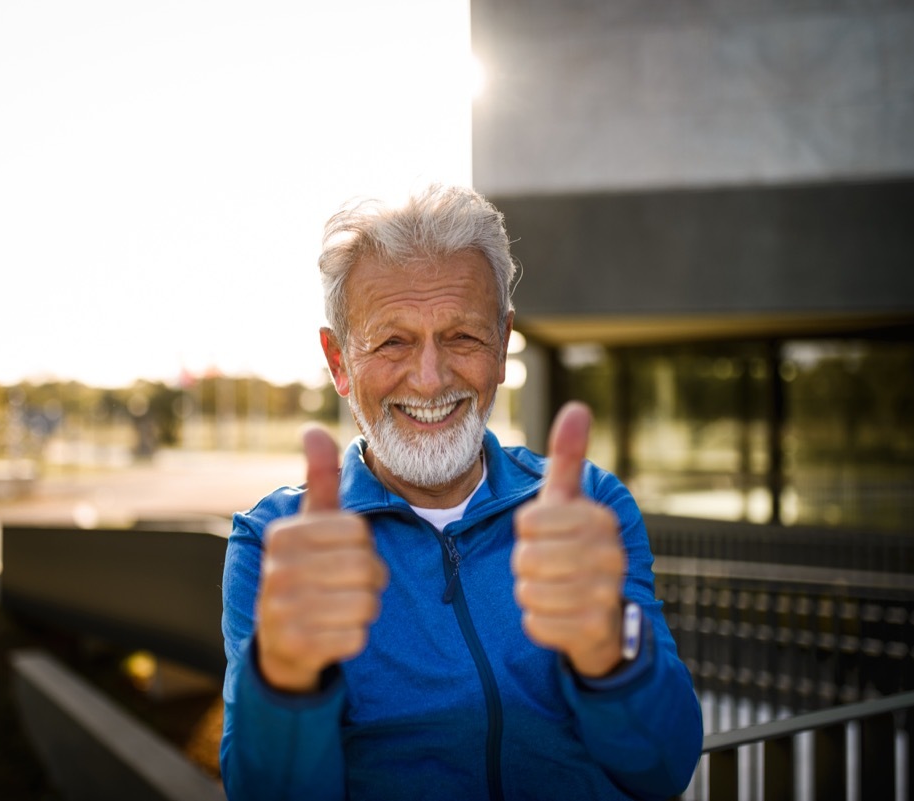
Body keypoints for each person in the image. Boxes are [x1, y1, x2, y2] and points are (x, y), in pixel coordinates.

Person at [220, 185, 702, 800]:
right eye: (392, 341)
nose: (430, 378)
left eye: (463, 338)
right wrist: (285, 683)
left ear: (502, 347)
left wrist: (611, 657)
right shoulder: (275, 543)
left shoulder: (589, 507)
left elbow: (665, 770)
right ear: (339, 362)